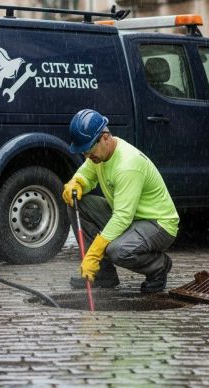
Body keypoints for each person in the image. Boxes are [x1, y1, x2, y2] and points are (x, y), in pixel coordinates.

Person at [62, 109, 179, 293]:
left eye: (89, 150)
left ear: (106, 137)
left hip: (158, 224)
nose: (87, 156)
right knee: (78, 203)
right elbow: (87, 173)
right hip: (130, 217)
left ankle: (159, 266)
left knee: (117, 250)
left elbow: (122, 217)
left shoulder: (128, 165)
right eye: (83, 152)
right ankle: (104, 275)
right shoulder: (98, 155)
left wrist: (94, 253)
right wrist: (77, 183)